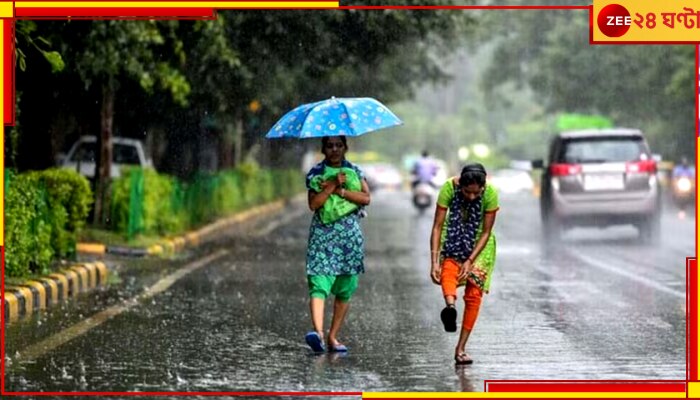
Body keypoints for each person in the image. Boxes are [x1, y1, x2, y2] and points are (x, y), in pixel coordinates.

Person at [304, 135, 371, 353]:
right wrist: (331, 185)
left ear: (345, 147)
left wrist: (342, 190)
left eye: (338, 145)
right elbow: (314, 204)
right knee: (319, 281)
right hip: (323, 236)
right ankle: (319, 335)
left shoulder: (354, 171)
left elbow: (366, 198)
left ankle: (333, 337)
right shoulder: (315, 174)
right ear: (323, 148)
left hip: (349, 238)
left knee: (345, 287)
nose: (334, 149)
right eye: (330, 146)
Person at [429, 162, 499, 365]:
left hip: (480, 244)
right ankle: (450, 308)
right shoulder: (448, 188)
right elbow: (437, 226)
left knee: (474, 294)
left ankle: (461, 348)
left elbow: (486, 232)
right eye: (467, 192)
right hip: (453, 235)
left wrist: (470, 260)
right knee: (447, 270)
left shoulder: (491, 193)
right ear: (460, 185)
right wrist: (434, 261)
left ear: (483, 187)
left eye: (476, 193)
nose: (471, 197)